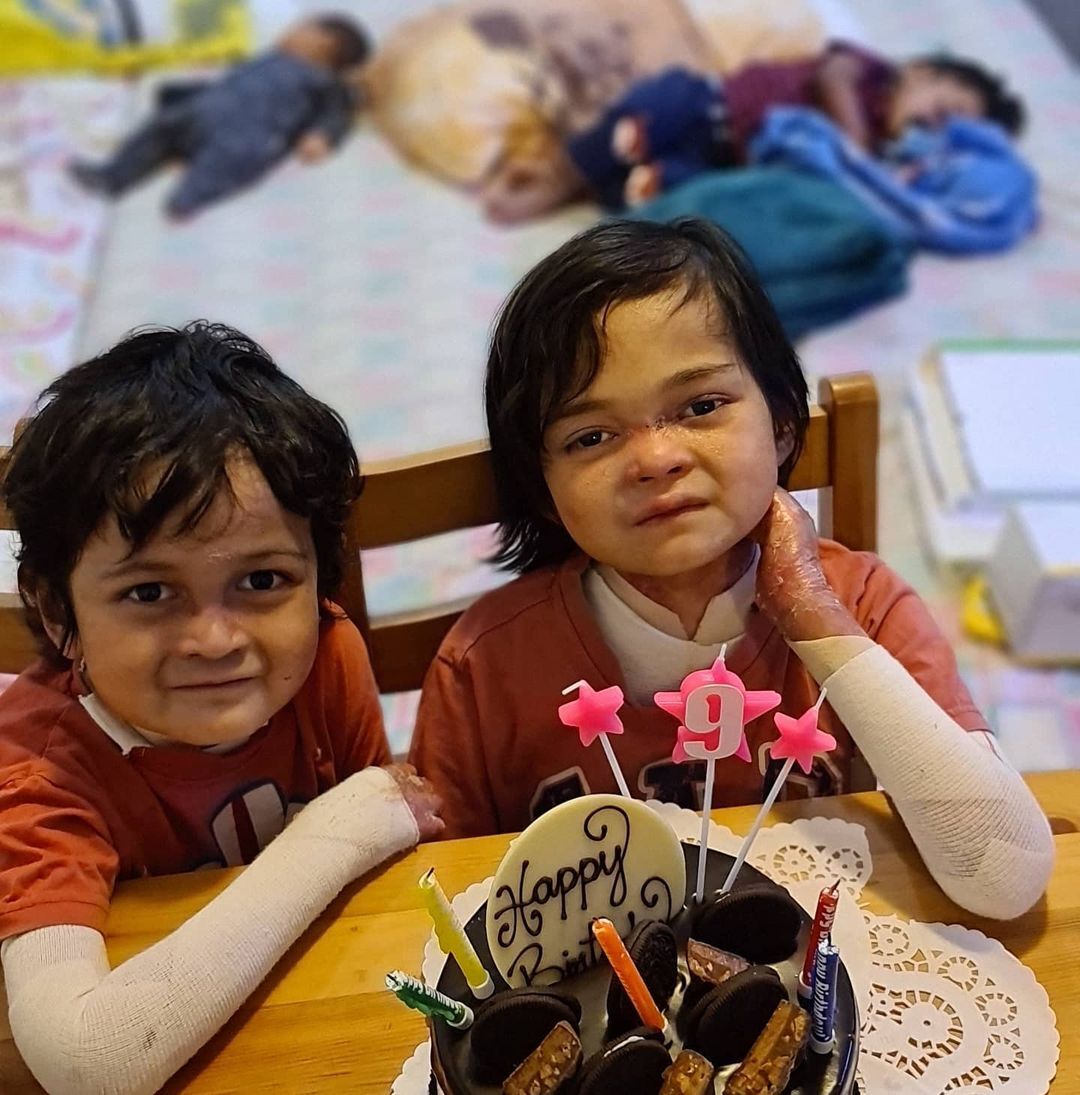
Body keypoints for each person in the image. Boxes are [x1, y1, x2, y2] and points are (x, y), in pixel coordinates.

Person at [409, 218, 1053, 920]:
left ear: (780, 423)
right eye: (591, 436)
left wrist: (810, 612)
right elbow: (442, 910)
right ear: (544, 489)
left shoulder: (862, 604)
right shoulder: (485, 667)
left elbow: (1004, 875)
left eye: (701, 406)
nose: (656, 458)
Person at [0, 323, 443, 1094]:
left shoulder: (326, 656)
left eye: (264, 580)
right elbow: (87, 1059)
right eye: (148, 592)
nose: (214, 638)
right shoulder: (35, 771)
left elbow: (384, 897)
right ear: (55, 608)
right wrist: (355, 818)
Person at [481, 46, 1026, 220]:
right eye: (945, 105)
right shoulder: (871, 72)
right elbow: (833, 78)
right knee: (658, 103)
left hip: (730, 162)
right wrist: (854, 144)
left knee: (682, 196)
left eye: (954, 127)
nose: (939, 123)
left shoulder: (885, 159)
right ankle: (561, 173)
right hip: (709, 107)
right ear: (921, 74)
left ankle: (614, 184)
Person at [69, 14, 372, 219]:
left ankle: (187, 199)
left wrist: (322, 137)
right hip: (204, 111)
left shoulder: (323, 82)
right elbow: (228, 82)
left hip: (250, 133)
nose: (288, 31)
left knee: (221, 166)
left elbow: (336, 112)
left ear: (324, 43)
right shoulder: (269, 57)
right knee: (159, 130)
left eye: (300, 28)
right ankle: (111, 177)